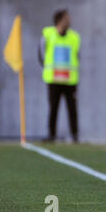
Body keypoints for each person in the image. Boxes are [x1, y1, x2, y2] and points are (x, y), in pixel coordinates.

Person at [38, 9, 81, 143]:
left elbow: (77, 56)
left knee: (72, 109)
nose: (69, 21)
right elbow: (41, 54)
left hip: (69, 80)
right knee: (53, 108)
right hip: (54, 79)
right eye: (66, 19)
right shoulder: (48, 35)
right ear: (59, 20)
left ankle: (74, 135)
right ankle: (52, 134)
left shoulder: (74, 37)